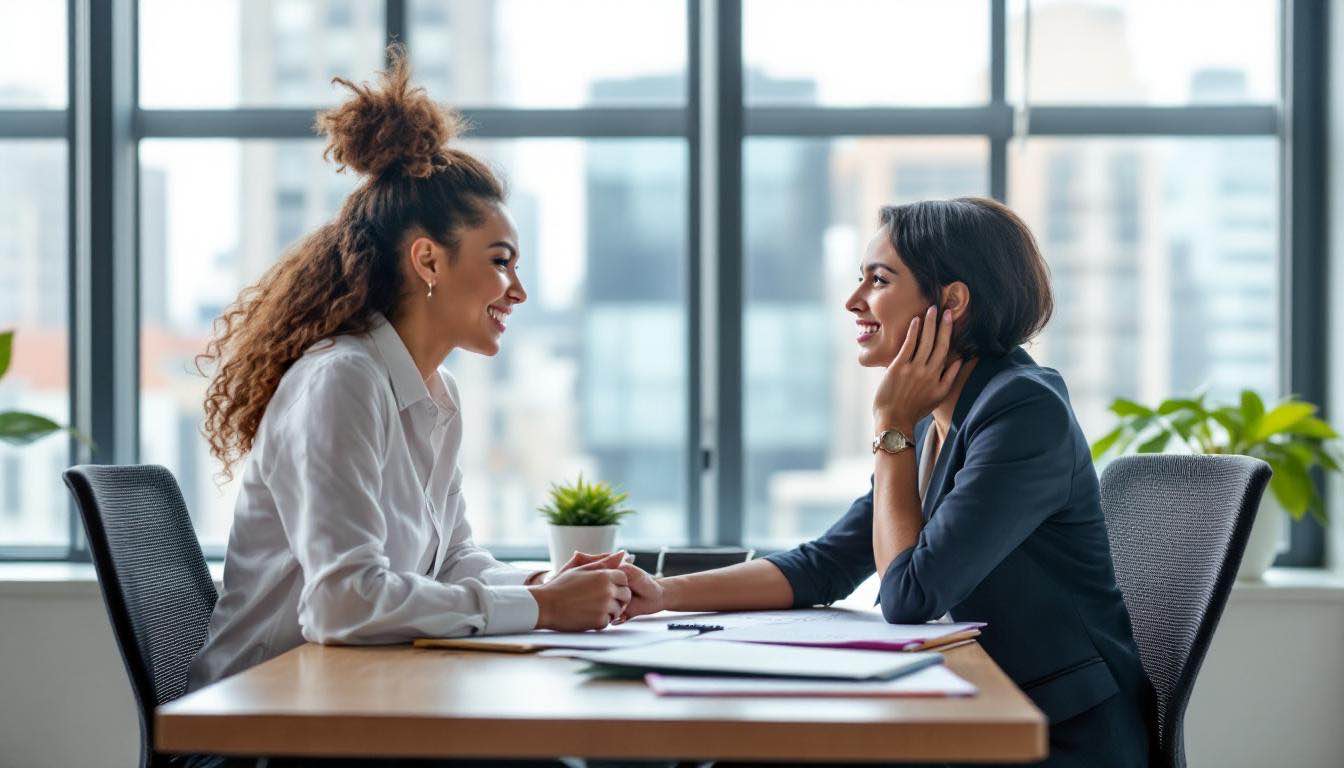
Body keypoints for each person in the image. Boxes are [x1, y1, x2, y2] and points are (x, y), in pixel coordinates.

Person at [618, 198, 1154, 767]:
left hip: (1056, 740)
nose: (853, 302)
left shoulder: (1022, 412)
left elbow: (909, 597)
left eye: (878, 280)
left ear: (951, 303)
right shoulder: (934, 417)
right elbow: (826, 563)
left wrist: (889, 426)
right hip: (972, 713)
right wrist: (661, 595)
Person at [186, 50, 629, 694]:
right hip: (265, 720)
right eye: (501, 261)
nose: (518, 291)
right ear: (428, 260)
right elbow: (341, 604)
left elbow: (450, 561)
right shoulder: (342, 379)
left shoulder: (435, 392)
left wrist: (546, 584)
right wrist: (544, 609)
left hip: (354, 695)